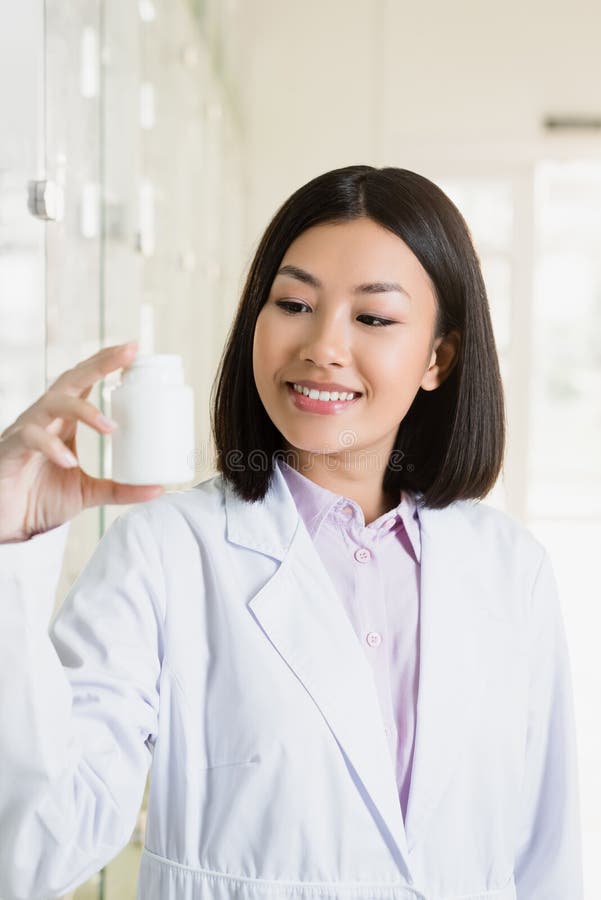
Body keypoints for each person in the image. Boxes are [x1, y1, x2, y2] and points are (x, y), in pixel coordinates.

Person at [0, 165, 583, 900]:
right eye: (293, 303)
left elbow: (545, 858)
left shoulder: (509, 569)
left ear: (438, 358)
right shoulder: (165, 554)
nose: (322, 346)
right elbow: (29, 850)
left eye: (372, 318)